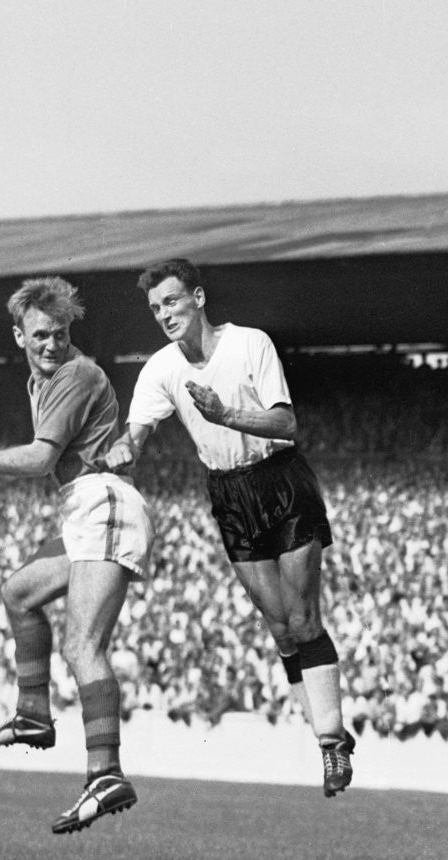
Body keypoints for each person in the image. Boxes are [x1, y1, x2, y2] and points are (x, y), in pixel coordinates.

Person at [105, 258, 355, 797]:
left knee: (304, 615)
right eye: (154, 308)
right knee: (280, 627)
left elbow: (286, 422)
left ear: (197, 297)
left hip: (280, 479)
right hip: (229, 493)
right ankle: (325, 734)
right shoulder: (161, 369)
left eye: (171, 301)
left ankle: (332, 742)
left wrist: (226, 416)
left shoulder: (250, 344)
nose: (163, 315)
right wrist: (125, 450)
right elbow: (139, 432)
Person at [0, 276, 155, 834]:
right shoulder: (43, 381)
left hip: (103, 502)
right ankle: (34, 714)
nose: (51, 345)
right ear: (19, 336)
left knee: (83, 645)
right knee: (19, 592)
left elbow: (38, 459)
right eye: (40, 336)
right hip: (82, 508)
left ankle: (105, 773)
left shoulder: (75, 374)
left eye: (59, 334)